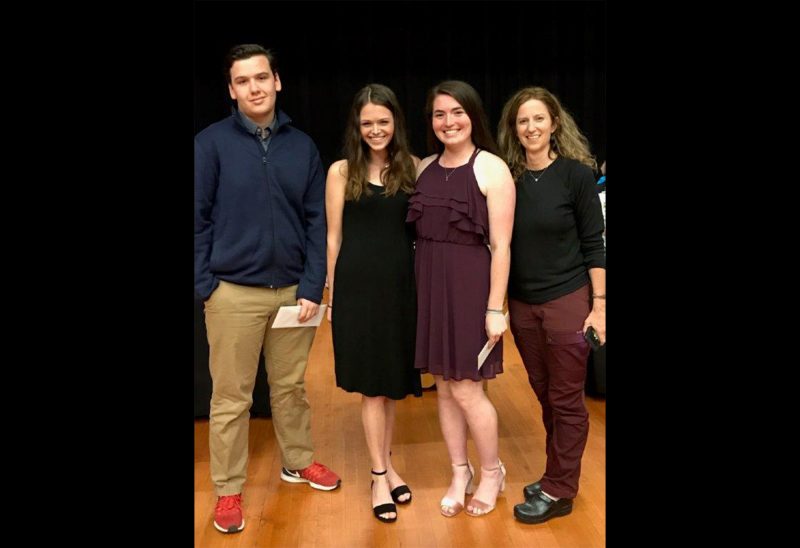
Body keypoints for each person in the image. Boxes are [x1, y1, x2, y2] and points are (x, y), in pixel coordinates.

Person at [194, 44, 340, 535]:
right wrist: (207, 286)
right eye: (243, 81)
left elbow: (317, 221)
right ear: (231, 90)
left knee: (292, 388)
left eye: (261, 77)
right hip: (232, 293)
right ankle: (229, 490)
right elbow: (197, 219)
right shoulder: (210, 144)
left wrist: (313, 285)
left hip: (294, 293)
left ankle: (298, 461)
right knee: (231, 399)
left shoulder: (302, 147)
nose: (254, 88)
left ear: (276, 81)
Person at [496, 86, 606, 524]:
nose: (531, 127)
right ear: (514, 129)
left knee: (565, 400)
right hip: (524, 305)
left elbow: (595, 245)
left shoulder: (577, 175)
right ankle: (554, 474)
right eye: (523, 121)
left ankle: (560, 489)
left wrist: (600, 305)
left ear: (555, 123)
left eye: (539, 118)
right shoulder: (508, 178)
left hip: (567, 300)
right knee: (544, 395)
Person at [407, 80, 515, 518]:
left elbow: (503, 246)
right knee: (445, 391)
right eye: (439, 114)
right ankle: (459, 471)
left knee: (469, 390)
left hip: (472, 290)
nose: (448, 122)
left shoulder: (492, 168)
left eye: (457, 112)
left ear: (473, 116)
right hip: (431, 287)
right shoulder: (423, 168)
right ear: (431, 122)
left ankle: (492, 471)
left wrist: (495, 307)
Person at [325, 83, 422, 523]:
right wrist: (331, 294)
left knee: (391, 384)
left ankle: (388, 463)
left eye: (383, 121)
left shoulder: (414, 170)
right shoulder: (341, 172)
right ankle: (378, 473)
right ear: (356, 127)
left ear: (395, 123)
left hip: (401, 289)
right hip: (357, 289)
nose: (376, 130)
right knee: (371, 388)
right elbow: (333, 237)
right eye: (367, 123)